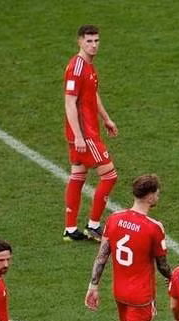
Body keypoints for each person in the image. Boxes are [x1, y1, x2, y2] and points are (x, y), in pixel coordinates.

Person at [85, 174, 172, 321]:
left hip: (119, 291)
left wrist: (93, 285)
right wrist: (173, 280)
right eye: (158, 192)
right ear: (151, 195)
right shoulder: (154, 228)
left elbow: (103, 255)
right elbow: (162, 264)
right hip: (140, 295)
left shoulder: (114, 219)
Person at [63, 24, 119, 242]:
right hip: (85, 133)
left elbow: (92, 96)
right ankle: (93, 225)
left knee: (78, 175)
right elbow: (69, 102)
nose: (94, 45)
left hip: (86, 130)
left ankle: (69, 229)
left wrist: (106, 119)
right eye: (89, 41)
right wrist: (78, 135)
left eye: (96, 41)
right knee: (110, 175)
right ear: (79, 42)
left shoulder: (88, 66)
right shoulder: (76, 67)